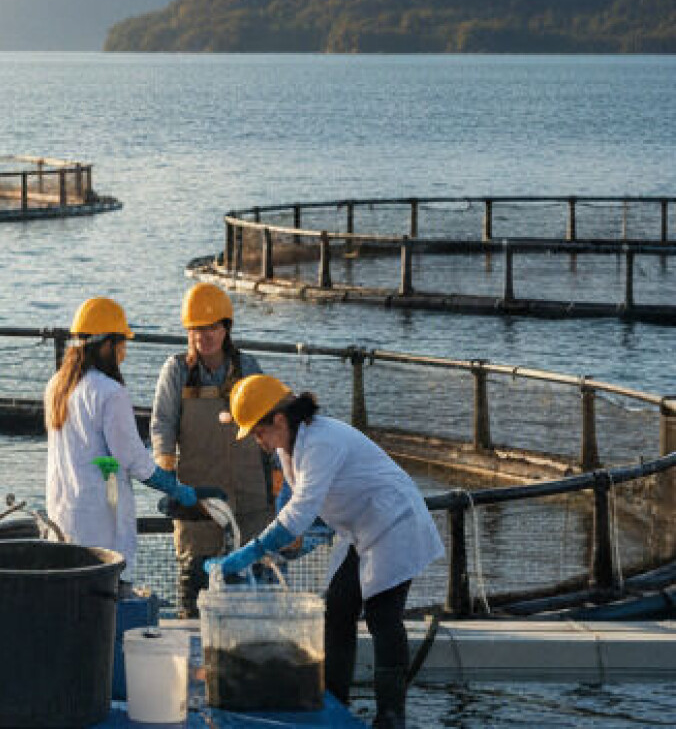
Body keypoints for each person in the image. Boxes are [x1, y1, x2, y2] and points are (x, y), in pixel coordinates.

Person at [209, 375, 443, 729]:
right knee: (338, 607)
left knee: (383, 615)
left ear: (279, 420)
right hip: (361, 528)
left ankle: (392, 715)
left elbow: (300, 512)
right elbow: (299, 504)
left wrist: (253, 550)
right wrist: (287, 540)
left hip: (395, 523)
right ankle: (335, 696)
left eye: (259, 432)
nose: (258, 441)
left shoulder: (320, 442)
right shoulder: (291, 446)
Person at [45, 297, 218, 574]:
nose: (123, 353)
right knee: (107, 591)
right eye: (122, 344)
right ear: (107, 344)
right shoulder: (109, 392)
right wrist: (175, 488)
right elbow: (133, 459)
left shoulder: (56, 386)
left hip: (63, 512)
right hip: (101, 520)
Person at [150, 282, 274, 616]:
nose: (204, 336)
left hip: (250, 497)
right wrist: (164, 466)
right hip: (199, 499)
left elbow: (270, 422)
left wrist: (278, 475)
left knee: (252, 588)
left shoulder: (248, 368)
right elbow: (162, 422)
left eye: (212, 328)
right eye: (197, 329)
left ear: (226, 329)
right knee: (196, 589)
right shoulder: (176, 371)